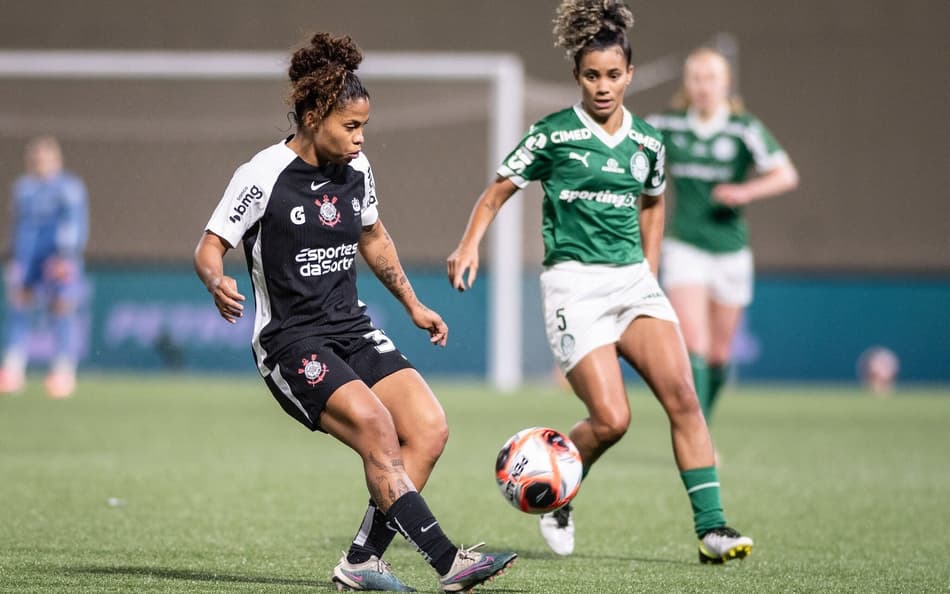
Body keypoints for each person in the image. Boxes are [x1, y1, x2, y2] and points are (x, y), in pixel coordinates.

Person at [194, 33, 515, 593]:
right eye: (351, 126)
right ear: (315, 115)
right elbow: (210, 245)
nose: (361, 138)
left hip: (353, 329)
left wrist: (413, 304)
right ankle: (448, 562)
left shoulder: (357, 169)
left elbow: (374, 236)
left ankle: (361, 563)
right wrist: (216, 279)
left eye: (364, 125)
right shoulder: (263, 174)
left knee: (430, 429)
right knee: (377, 428)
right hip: (291, 342)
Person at [447, 0, 752, 564]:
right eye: (592, 75)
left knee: (685, 397)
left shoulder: (648, 143)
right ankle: (560, 494)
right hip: (574, 287)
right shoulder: (553, 135)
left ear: (630, 75)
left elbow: (655, 203)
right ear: (577, 77)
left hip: (634, 284)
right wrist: (470, 244)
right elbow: (496, 193)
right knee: (613, 420)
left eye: (614, 75)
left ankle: (713, 530)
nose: (603, 86)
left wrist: (650, 267)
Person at [647, 48, 799, 423]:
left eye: (711, 78)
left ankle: (704, 424)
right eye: (696, 78)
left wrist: (745, 191)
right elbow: (628, 150)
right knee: (693, 346)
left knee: (719, 354)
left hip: (730, 250)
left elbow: (786, 174)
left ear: (725, 83)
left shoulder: (742, 127)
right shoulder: (669, 124)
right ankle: (693, 432)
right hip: (685, 244)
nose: (703, 86)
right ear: (687, 83)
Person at [0, 136, 88, 398]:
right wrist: (15, 258)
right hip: (28, 258)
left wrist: (66, 256)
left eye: (45, 158)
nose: (40, 163)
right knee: (19, 308)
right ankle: (12, 370)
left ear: (56, 160)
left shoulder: (69, 188)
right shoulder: (23, 189)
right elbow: (18, 226)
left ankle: (62, 371)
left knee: (61, 310)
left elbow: (76, 224)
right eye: (36, 158)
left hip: (58, 258)